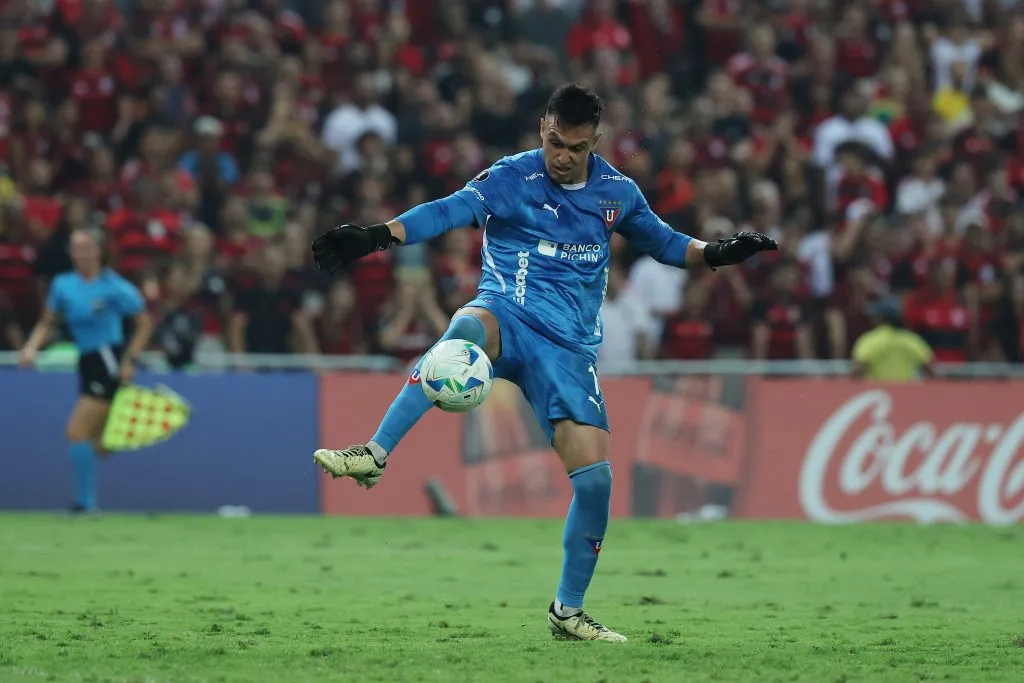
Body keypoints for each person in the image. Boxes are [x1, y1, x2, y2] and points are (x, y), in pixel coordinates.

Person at [309, 84, 777, 642]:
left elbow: (669, 244)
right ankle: (375, 452)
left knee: (597, 483)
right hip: (506, 314)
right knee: (463, 332)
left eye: (575, 148)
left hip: (567, 350)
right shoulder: (513, 176)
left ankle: (567, 612)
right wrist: (379, 235)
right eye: (555, 142)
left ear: (594, 142)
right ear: (542, 129)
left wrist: (720, 252)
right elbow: (449, 210)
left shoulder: (617, 193)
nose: (562, 156)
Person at [18, 228, 153, 513]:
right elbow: (48, 321)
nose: (80, 254)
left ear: (98, 251)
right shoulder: (63, 285)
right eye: (75, 248)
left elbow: (144, 322)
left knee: (76, 431)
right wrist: (31, 347)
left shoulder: (114, 287)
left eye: (85, 248)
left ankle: (85, 504)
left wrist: (130, 360)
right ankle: (119, 438)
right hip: (86, 360)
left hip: (108, 359)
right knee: (98, 446)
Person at [851, 298, 934, 381]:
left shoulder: (870, 340)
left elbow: (857, 370)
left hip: (879, 391)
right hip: (906, 391)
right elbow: (930, 371)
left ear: (880, 318)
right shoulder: (913, 341)